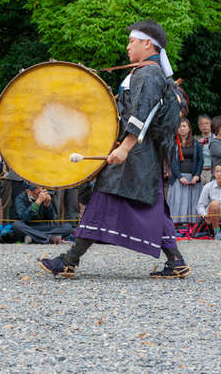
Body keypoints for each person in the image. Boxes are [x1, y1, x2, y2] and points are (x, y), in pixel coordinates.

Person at [39, 19, 191, 279]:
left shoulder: (148, 73)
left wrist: (125, 147)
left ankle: (69, 259)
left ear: (147, 43)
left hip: (136, 153)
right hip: (140, 153)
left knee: (103, 199)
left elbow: (144, 112)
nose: (128, 46)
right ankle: (176, 261)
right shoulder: (144, 71)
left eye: (132, 41)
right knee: (151, 204)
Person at [167, 118, 203, 224]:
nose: (181, 129)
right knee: (178, 201)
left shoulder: (196, 143)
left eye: (184, 126)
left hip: (193, 178)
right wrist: (179, 176)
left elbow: (201, 160)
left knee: (192, 201)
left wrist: (197, 175)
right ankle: (176, 224)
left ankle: (191, 224)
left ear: (189, 128)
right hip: (178, 178)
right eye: (179, 126)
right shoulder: (173, 143)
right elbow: (172, 161)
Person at [197, 114, 213, 186]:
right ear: (199, 127)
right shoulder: (196, 140)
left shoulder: (216, 139)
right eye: (202, 124)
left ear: (211, 125)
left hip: (212, 171)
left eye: (207, 123)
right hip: (200, 171)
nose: (204, 126)